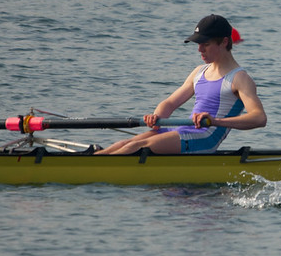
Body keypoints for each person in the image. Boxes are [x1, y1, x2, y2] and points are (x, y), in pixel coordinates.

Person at [96, 14, 267, 155]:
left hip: (204, 137)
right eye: (198, 44)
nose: (200, 50)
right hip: (181, 130)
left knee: (135, 147)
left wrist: (215, 121)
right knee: (123, 143)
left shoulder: (240, 78)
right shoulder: (199, 71)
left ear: (223, 42)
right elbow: (170, 103)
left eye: (206, 44)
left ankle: (95, 170)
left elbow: (259, 118)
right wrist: (157, 118)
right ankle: (92, 160)